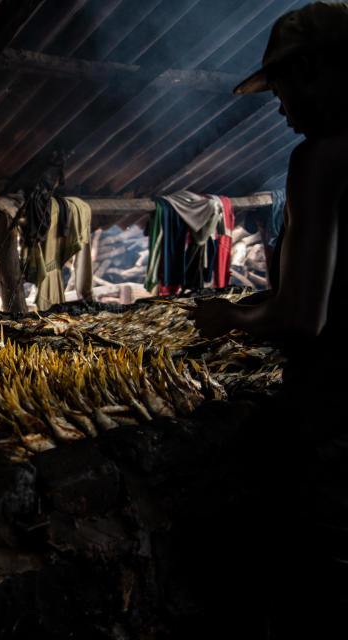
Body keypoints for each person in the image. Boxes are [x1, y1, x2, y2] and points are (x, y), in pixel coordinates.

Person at [188, 3, 348, 635]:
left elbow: (305, 318)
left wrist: (227, 320)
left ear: (313, 70)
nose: (281, 110)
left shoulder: (324, 158)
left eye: (282, 90)